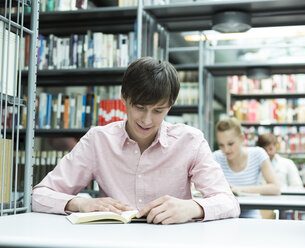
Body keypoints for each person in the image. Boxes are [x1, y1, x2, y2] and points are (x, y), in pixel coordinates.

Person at [32, 57, 240, 224]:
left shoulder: (190, 141)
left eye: (158, 110)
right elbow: (40, 196)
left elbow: (229, 203)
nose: (147, 120)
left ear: (170, 106)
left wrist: (193, 207)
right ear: (124, 98)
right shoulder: (99, 140)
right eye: (140, 107)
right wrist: (80, 204)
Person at [213, 117, 280, 218]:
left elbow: (275, 188)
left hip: (251, 216)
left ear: (242, 138)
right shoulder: (216, 157)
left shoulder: (258, 154)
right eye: (221, 145)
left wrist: (238, 189)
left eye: (230, 144)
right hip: (223, 216)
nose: (226, 149)